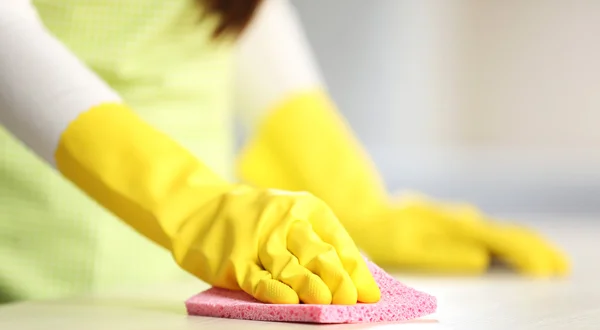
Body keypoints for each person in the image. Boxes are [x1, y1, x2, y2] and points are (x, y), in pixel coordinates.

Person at [0, 0, 568, 304]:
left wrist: (354, 203)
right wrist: (195, 206)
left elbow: (232, 19)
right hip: (23, 277)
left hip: (174, 295)